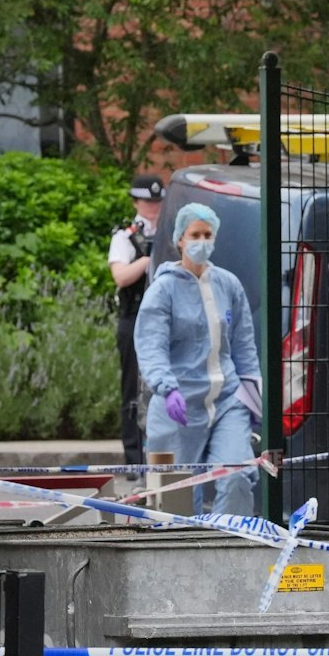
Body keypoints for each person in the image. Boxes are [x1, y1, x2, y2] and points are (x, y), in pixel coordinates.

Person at [133, 202, 262, 516]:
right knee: (174, 497)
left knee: (237, 476)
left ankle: (230, 547)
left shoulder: (228, 285)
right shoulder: (163, 291)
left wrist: (253, 397)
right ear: (180, 239)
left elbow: (244, 346)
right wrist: (166, 387)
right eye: (195, 234)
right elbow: (151, 346)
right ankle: (179, 557)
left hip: (227, 401)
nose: (202, 241)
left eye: (208, 234)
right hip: (178, 404)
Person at [109, 174, 165, 466]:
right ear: (136, 202)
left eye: (157, 200)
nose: (153, 206)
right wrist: (149, 259)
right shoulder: (125, 235)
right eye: (147, 201)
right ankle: (134, 460)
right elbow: (120, 276)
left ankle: (162, 456)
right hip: (133, 317)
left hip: (163, 319)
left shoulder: (172, 231)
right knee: (132, 388)